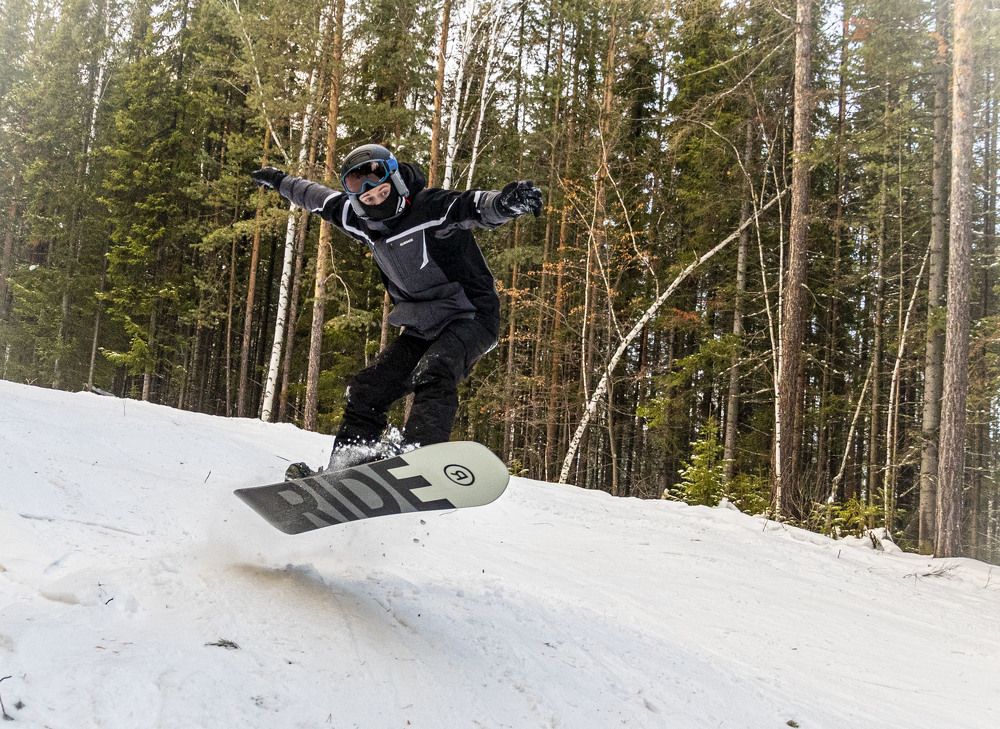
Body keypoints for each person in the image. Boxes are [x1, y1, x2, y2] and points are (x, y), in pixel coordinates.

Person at [251, 143, 542, 477]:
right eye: (368, 200)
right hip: (422, 326)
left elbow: (474, 206)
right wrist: (278, 180)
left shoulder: (430, 208)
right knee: (367, 389)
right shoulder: (360, 221)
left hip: (471, 316)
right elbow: (316, 197)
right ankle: (344, 469)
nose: (377, 203)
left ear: (397, 184)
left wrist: (507, 203)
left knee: (436, 369)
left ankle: (421, 455)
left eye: (382, 193)